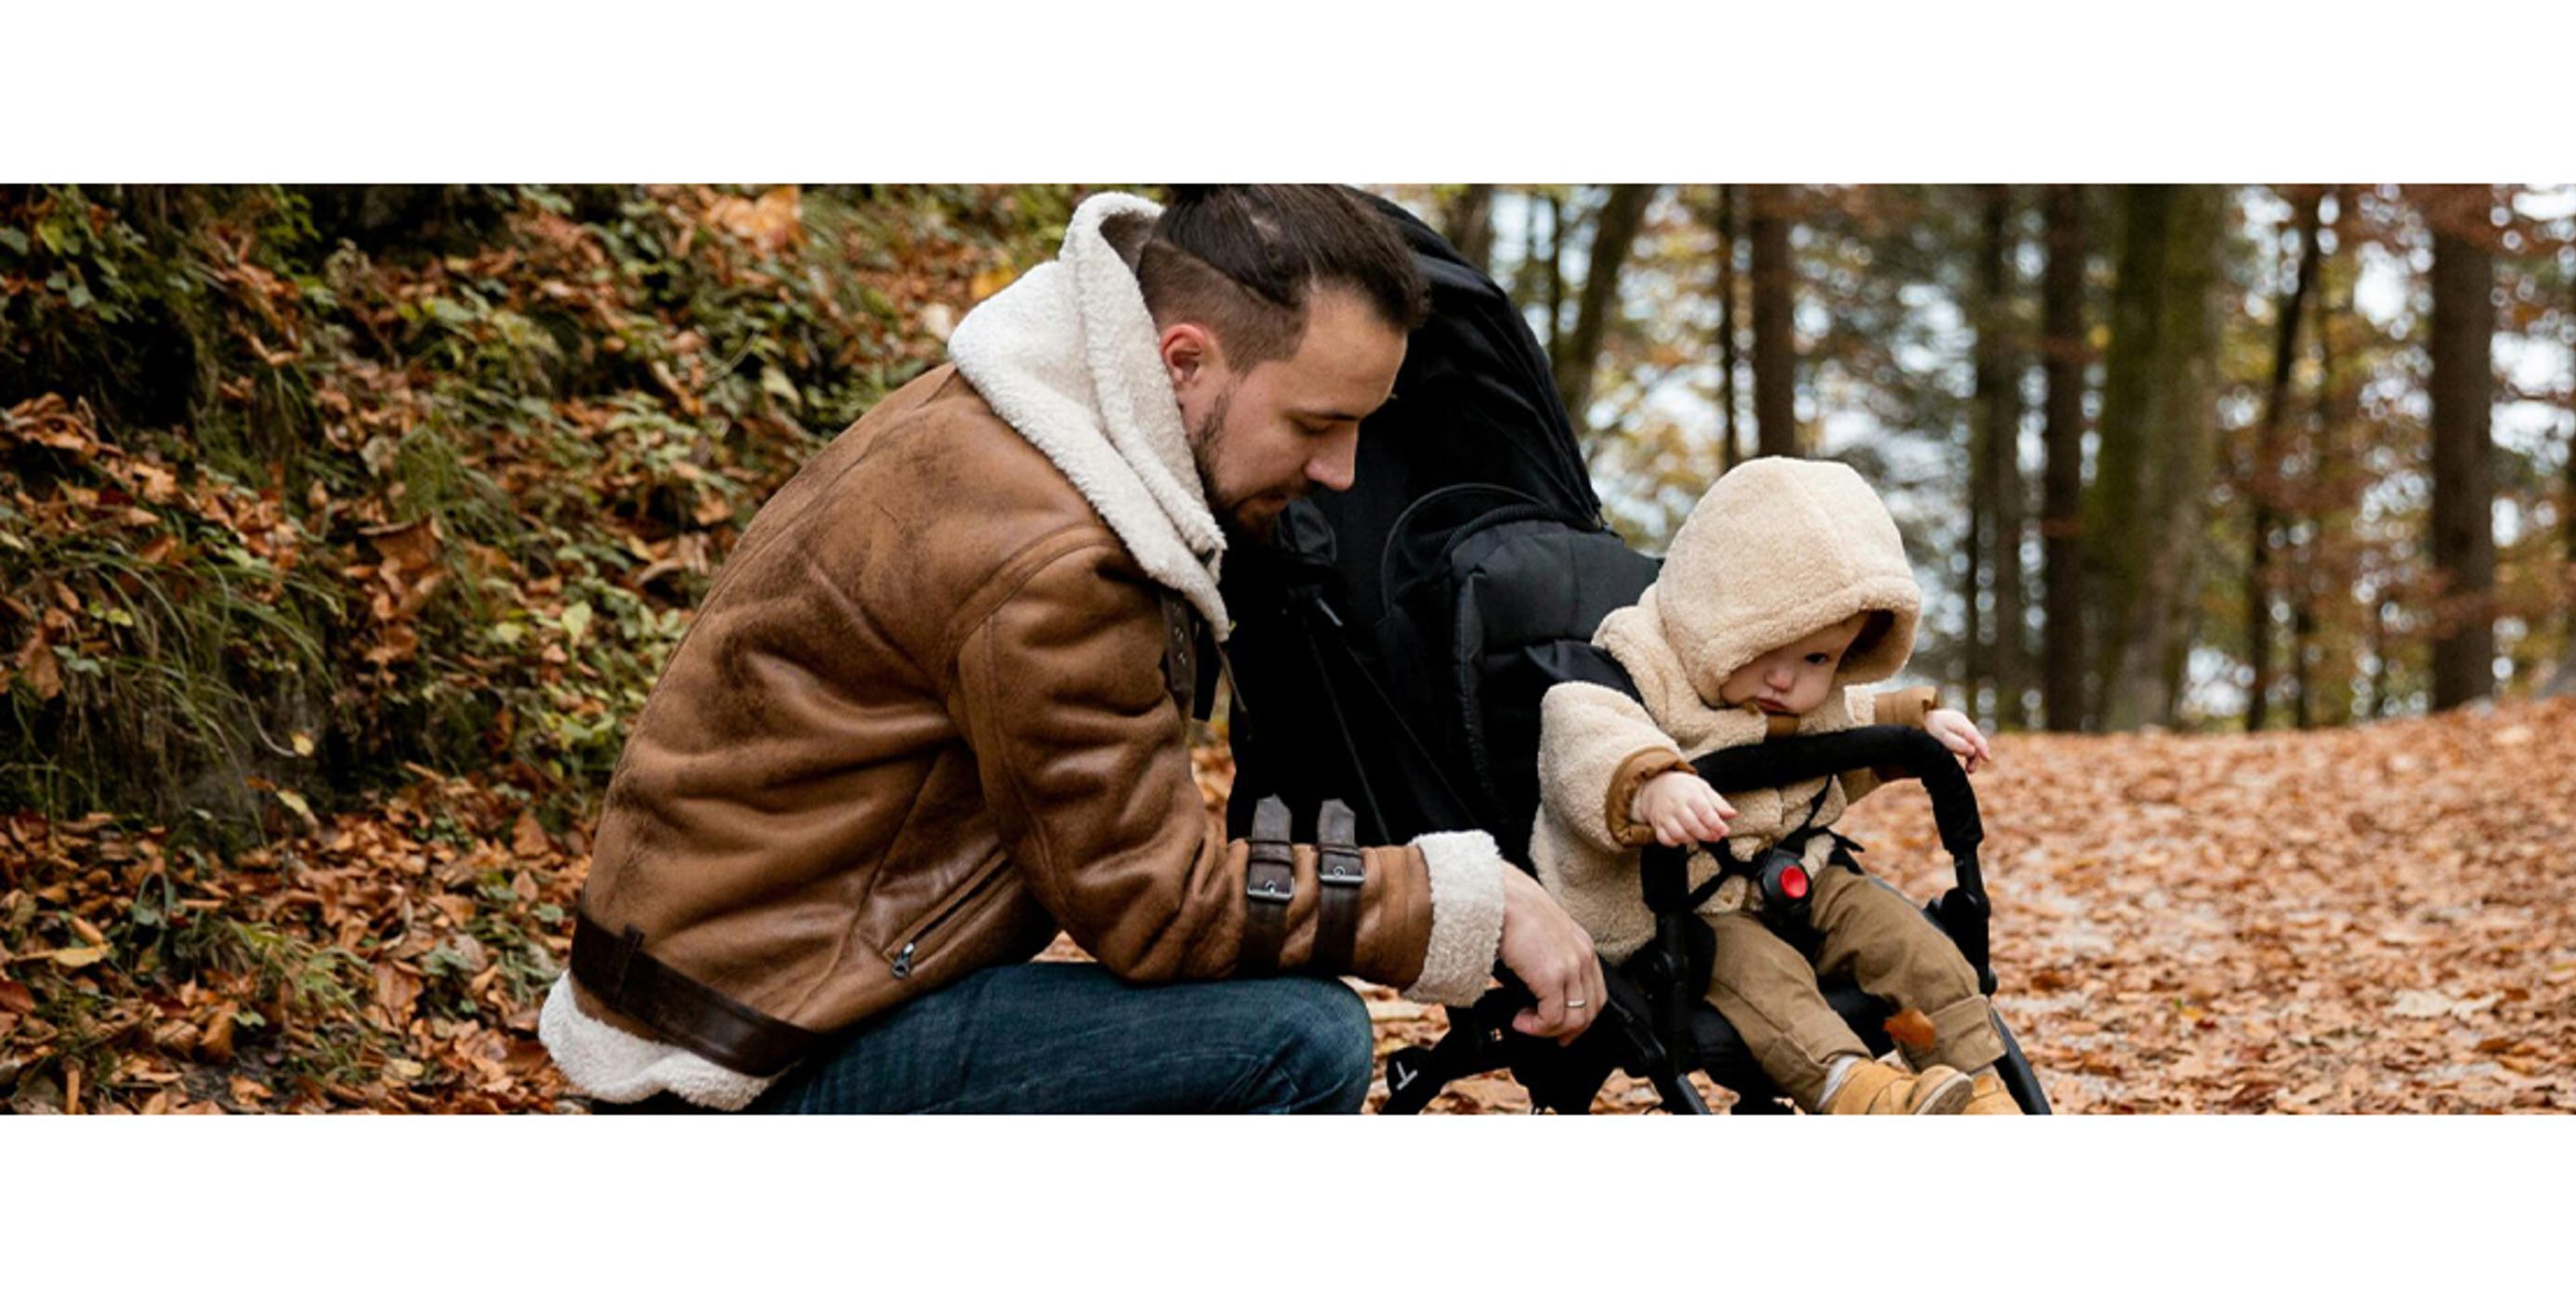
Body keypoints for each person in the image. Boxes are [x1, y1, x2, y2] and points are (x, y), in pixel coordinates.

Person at [538, 187, 1605, 1114]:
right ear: (1185, 360)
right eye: (1318, 423)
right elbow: (1158, 908)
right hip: (746, 1062)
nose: (1341, 469)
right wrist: (1470, 898)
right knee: (1299, 1040)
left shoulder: (1020, 418)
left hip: (719, 991)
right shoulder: (1058, 553)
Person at [1528, 457, 2018, 1114]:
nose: (1789, 681)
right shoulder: (1639, 668)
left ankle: (1979, 1088)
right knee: (1767, 978)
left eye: (1818, 658)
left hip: (1795, 878)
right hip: (1685, 913)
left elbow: (1850, 719)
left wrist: (1919, 724)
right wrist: (1651, 783)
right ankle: (1860, 1095)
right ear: (1713, 616)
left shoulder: (1800, 696)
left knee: (1907, 941)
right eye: (1767, 650)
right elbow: (1582, 734)